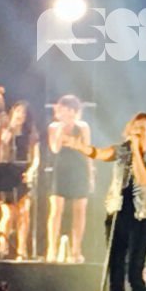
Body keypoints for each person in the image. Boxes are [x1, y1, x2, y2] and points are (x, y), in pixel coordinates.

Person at [65, 112, 146, 291]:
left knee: (135, 272)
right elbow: (100, 153)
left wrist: (136, 152)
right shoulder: (121, 151)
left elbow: (144, 179)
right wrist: (79, 146)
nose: (138, 131)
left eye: (143, 129)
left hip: (141, 217)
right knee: (115, 271)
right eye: (136, 127)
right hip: (117, 214)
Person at [46, 95, 92, 263]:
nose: (69, 113)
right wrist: (61, 129)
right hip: (61, 170)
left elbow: (88, 151)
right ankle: (52, 249)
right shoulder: (53, 127)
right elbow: (55, 148)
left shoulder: (83, 127)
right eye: (66, 109)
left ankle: (76, 250)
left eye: (72, 110)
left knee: (79, 210)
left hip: (79, 169)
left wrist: (91, 175)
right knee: (56, 209)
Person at [0, 94, 40, 259]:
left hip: (24, 174)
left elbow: (36, 158)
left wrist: (31, 171)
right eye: (18, 111)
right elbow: (2, 155)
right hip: (7, 174)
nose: (21, 115)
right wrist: (8, 132)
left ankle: (22, 250)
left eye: (24, 112)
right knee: (8, 214)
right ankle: (3, 248)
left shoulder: (31, 135)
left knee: (24, 213)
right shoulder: (7, 132)